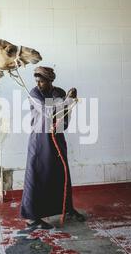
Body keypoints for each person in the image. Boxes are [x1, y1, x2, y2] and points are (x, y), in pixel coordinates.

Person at [20, 66, 85, 230]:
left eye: (41, 81)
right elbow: (48, 111)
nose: (38, 84)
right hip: (40, 138)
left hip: (57, 136)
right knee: (36, 174)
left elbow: (64, 116)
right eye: (37, 81)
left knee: (61, 172)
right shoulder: (34, 93)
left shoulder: (58, 93)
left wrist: (67, 104)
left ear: (50, 81)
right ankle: (31, 218)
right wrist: (68, 101)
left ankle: (66, 208)